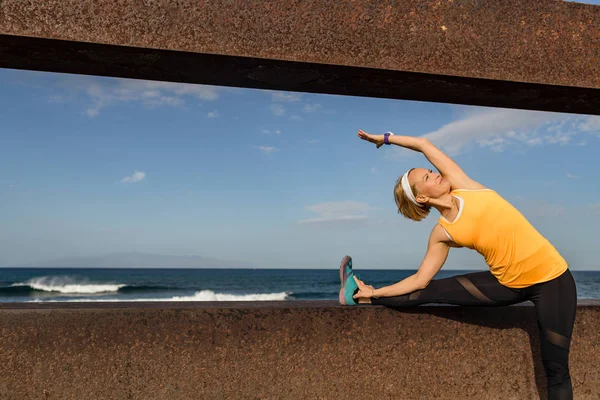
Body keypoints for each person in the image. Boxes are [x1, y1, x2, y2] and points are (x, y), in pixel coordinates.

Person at [338, 129, 577, 400]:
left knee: (556, 369)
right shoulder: (442, 233)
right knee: (427, 292)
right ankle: (361, 295)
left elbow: (423, 143)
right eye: (427, 177)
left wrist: (385, 138)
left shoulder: (464, 185)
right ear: (422, 198)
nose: (434, 173)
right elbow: (419, 280)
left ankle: (366, 295)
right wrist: (375, 292)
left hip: (553, 281)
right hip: (508, 285)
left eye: (429, 170)